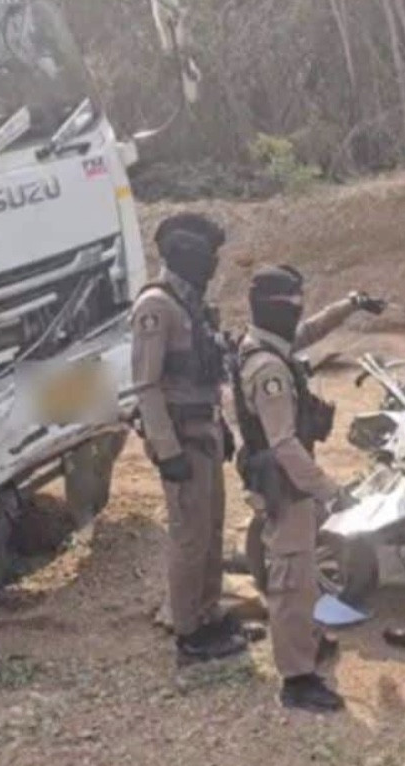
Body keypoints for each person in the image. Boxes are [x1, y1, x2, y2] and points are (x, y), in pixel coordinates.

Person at [234, 266, 385, 712]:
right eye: (294, 306)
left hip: (292, 482)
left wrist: (351, 304)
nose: (299, 315)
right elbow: (284, 445)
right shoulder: (269, 370)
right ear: (277, 310)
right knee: (290, 581)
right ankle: (297, 678)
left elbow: (313, 329)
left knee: (303, 577)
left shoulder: (267, 343)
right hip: (285, 485)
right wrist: (332, 492)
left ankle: (309, 643)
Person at [132, 212, 246, 666]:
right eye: (208, 255)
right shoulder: (156, 307)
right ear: (186, 254)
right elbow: (146, 386)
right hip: (181, 439)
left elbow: (205, 379)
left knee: (212, 528)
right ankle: (188, 634)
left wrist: (223, 428)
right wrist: (167, 451)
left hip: (204, 431)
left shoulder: (191, 304)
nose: (214, 264)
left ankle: (208, 611)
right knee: (189, 537)